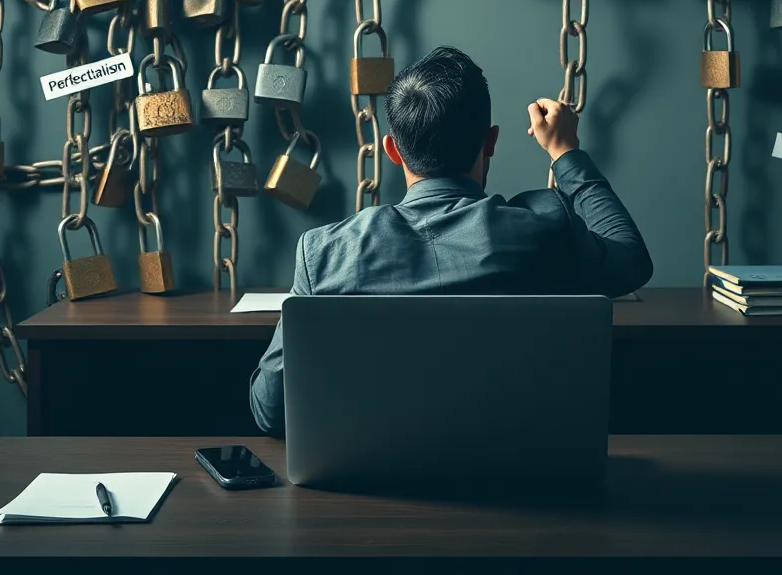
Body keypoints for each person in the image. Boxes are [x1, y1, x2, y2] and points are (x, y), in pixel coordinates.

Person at [249, 46, 653, 437]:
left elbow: (269, 412)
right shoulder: (546, 227)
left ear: (392, 150)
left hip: (375, 478)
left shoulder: (324, 253)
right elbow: (632, 259)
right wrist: (565, 152)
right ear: (490, 141)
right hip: (521, 474)